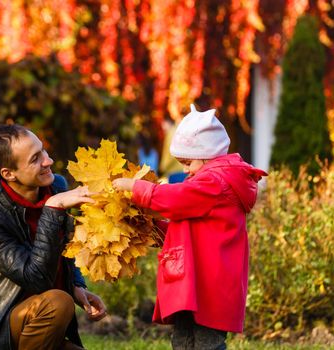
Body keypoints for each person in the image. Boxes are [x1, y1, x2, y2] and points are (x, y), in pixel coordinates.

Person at [113, 104, 267, 349]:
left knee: (206, 342)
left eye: (188, 162)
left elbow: (176, 199)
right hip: (198, 280)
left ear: (208, 155)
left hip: (208, 284)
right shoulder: (207, 181)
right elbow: (187, 225)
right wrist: (153, 228)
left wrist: (135, 188)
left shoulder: (215, 181)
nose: (184, 170)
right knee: (183, 340)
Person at [0, 124, 107, 350]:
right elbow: (36, 278)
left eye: (43, 151)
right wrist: (53, 208)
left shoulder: (55, 186)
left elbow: (63, 246)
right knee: (58, 302)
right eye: (35, 158)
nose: (48, 161)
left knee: (61, 300)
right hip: (1, 328)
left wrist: (76, 285)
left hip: (37, 326)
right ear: (9, 173)